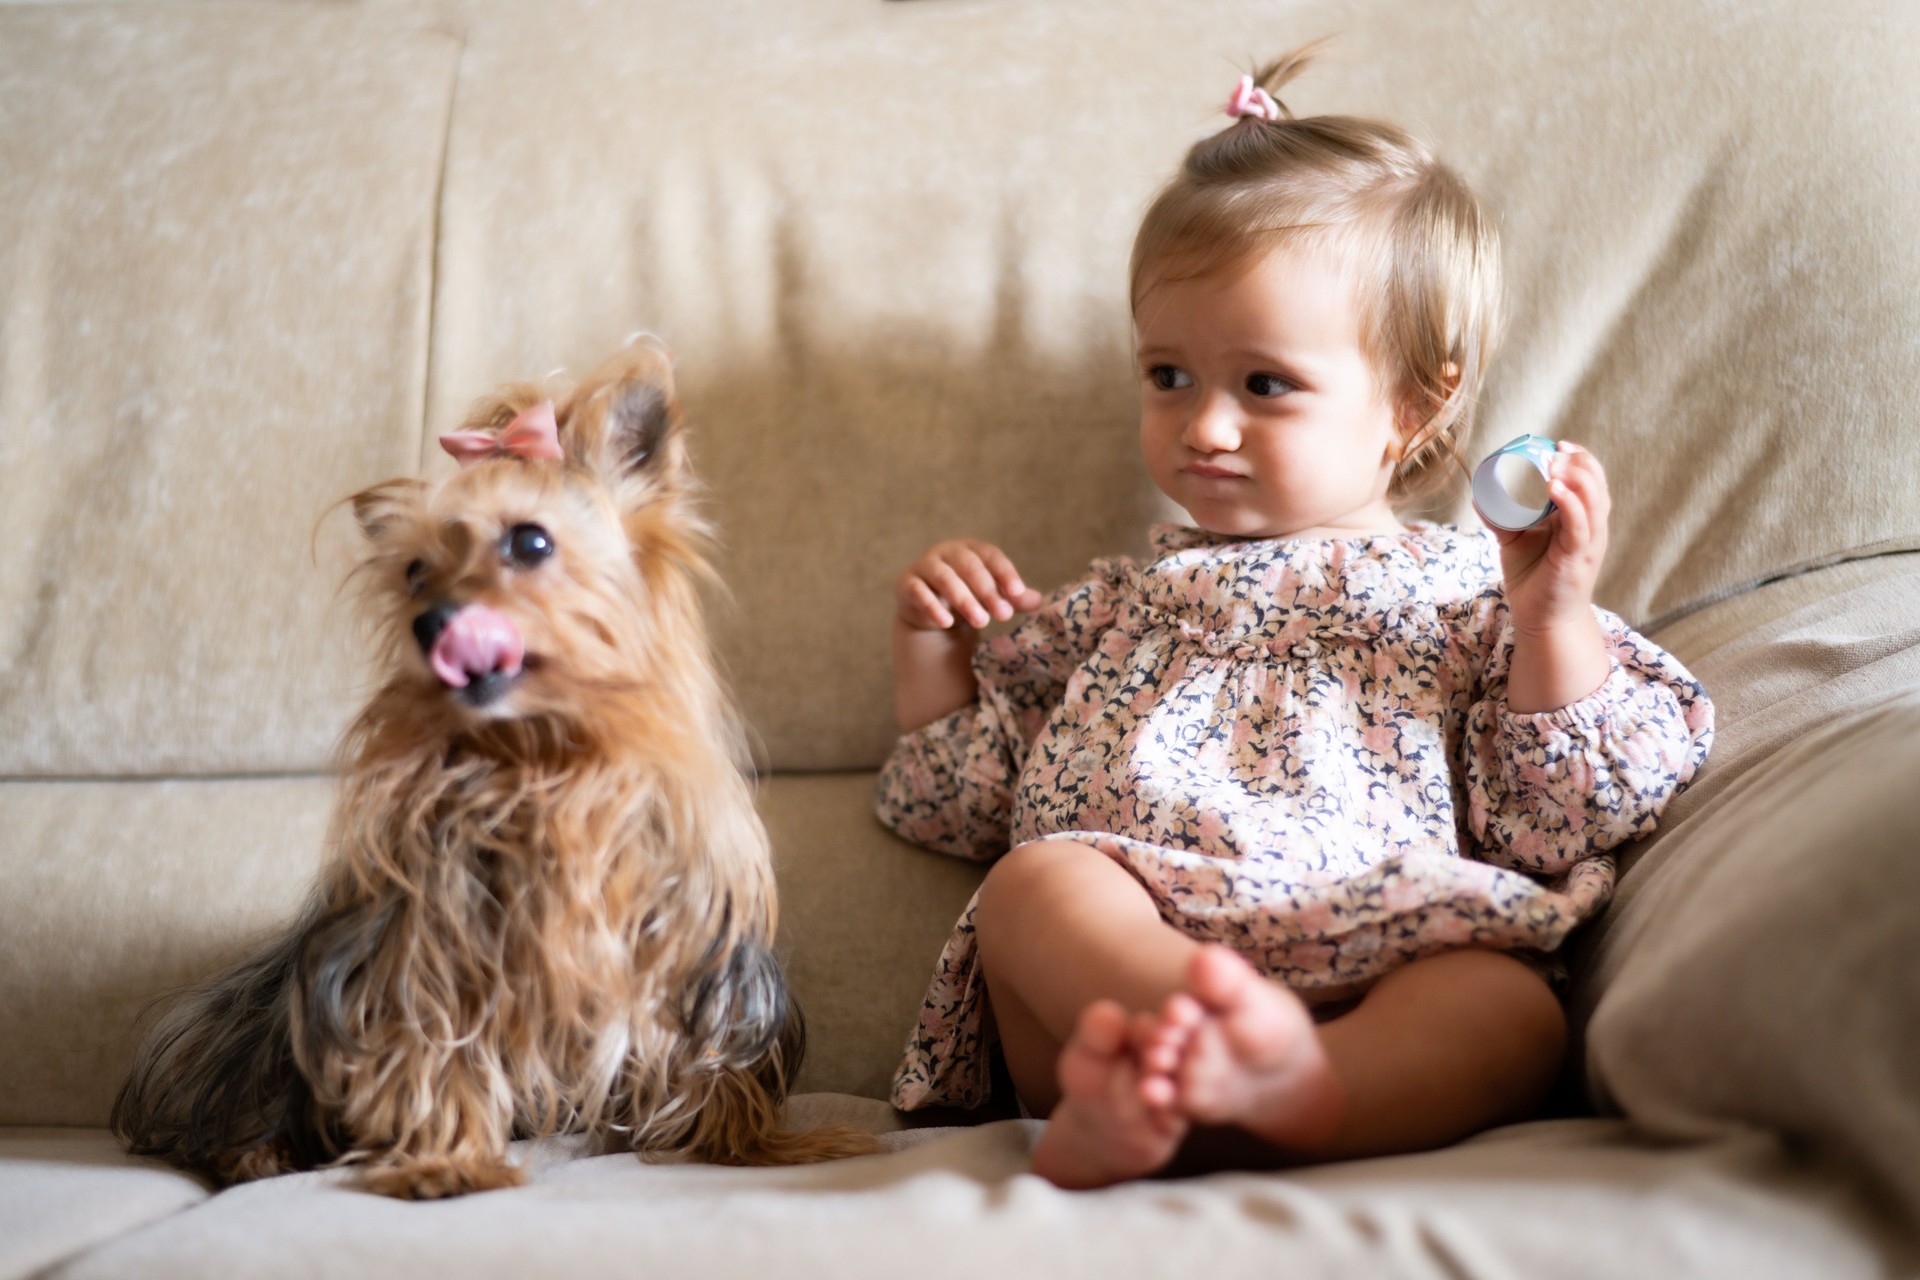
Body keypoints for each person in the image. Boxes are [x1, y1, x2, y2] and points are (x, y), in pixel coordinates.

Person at [876, 47, 1714, 1190]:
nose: (1204, 426)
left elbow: (1568, 819)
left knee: (1507, 1001)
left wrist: (1554, 614)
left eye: (1263, 385)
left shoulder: (1470, 593)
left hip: (1376, 951)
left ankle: (1287, 1092)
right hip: (1125, 975)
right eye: (1167, 375)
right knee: (1034, 883)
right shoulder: (1117, 609)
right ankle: (1193, 1048)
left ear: (1412, 404)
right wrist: (933, 644)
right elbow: (953, 801)